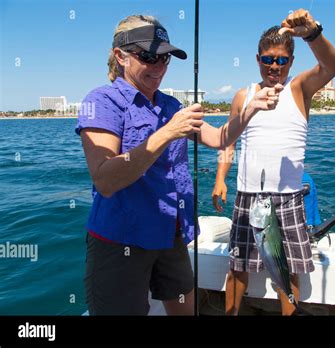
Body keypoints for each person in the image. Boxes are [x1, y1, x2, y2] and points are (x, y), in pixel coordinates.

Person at [76, 14, 282, 315]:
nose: (159, 67)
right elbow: (105, 179)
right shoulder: (102, 102)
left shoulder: (171, 105)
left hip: (170, 235)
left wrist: (250, 109)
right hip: (121, 239)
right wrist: (169, 131)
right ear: (120, 56)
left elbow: (219, 137)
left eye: (165, 59)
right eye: (148, 57)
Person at [211, 9, 335, 315]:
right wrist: (220, 179)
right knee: (238, 265)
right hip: (247, 196)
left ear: (291, 63)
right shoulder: (243, 95)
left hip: (288, 199)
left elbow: (332, 65)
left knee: (289, 270)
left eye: (281, 60)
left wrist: (311, 32)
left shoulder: (299, 89)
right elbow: (228, 140)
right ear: (257, 59)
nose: (274, 66)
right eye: (268, 59)